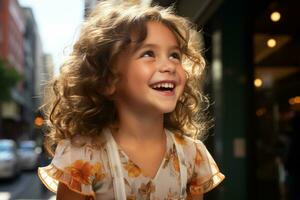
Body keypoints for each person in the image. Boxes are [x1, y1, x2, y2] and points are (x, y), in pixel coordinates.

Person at [37, 1, 225, 199]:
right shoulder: (83, 155)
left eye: (174, 55)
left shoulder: (192, 154)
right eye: (148, 53)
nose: (169, 66)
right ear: (107, 81)